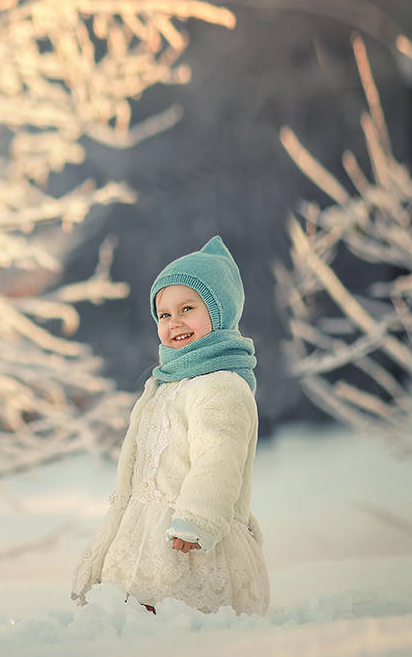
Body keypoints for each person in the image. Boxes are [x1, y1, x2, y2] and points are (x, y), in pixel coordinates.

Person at [70, 236, 270, 616]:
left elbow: (219, 456)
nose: (174, 321)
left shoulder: (221, 385)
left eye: (187, 308)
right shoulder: (168, 384)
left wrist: (196, 519)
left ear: (220, 312)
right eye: (163, 315)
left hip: (190, 540)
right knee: (130, 619)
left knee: (175, 620)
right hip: (144, 533)